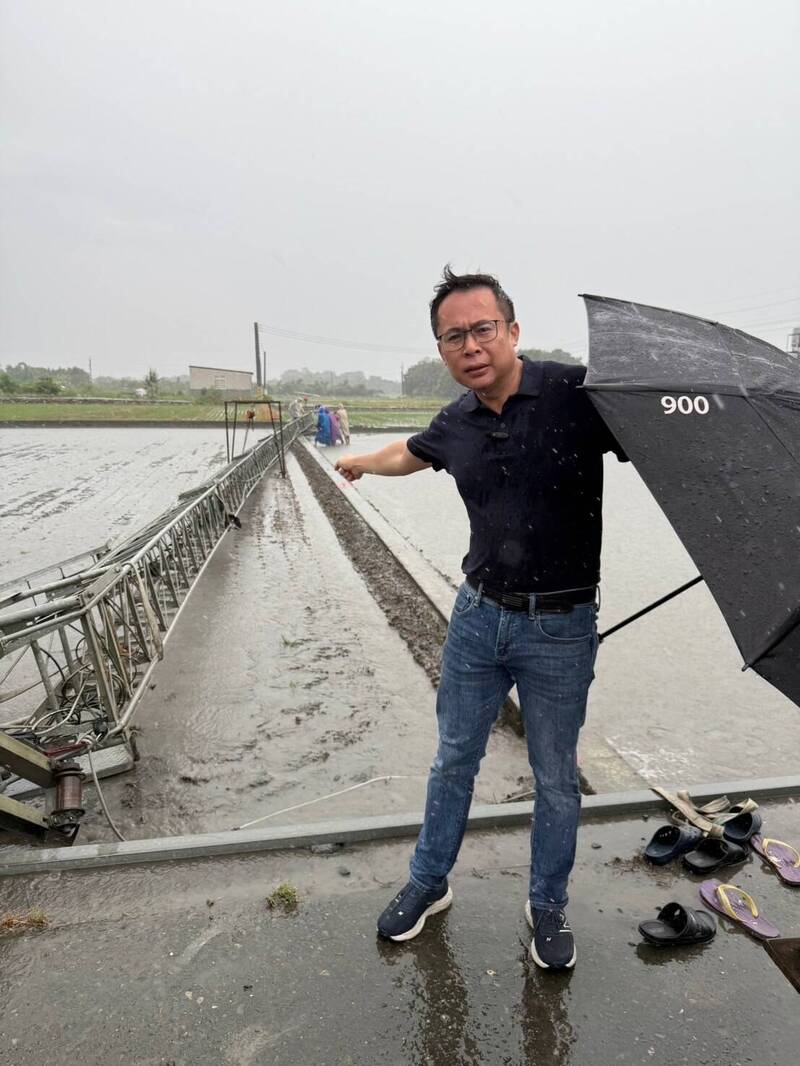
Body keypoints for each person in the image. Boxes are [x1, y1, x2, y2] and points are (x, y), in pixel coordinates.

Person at [335, 266, 626, 971]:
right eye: (453, 336)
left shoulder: (575, 394)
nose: (470, 346)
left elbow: (655, 443)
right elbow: (411, 452)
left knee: (555, 776)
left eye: (482, 329)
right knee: (453, 760)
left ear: (512, 330)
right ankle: (428, 882)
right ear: (441, 349)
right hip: (476, 618)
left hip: (560, 625)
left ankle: (547, 902)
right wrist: (362, 462)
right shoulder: (457, 421)